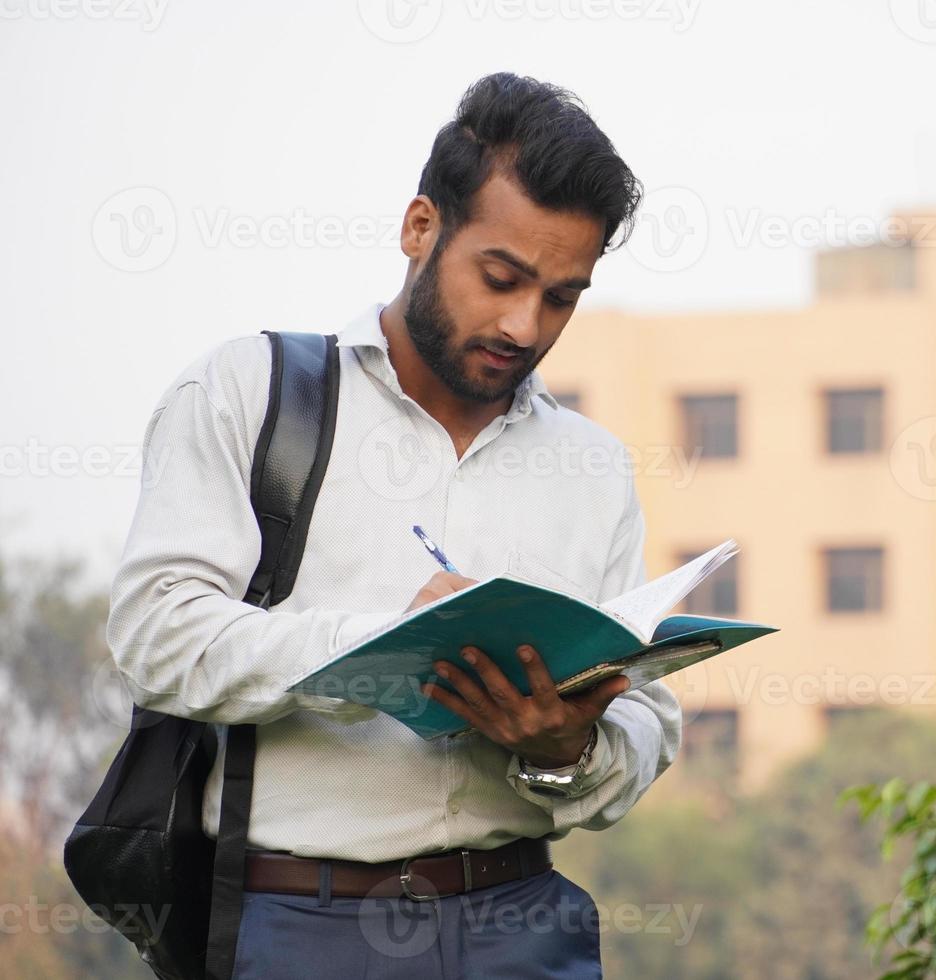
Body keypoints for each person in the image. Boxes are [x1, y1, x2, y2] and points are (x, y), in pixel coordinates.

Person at [105, 71, 682, 978]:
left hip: (526, 923)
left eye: (562, 297)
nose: (524, 324)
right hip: (300, 924)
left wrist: (568, 749)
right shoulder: (249, 393)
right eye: (501, 277)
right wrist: (381, 650)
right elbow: (156, 634)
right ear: (421, 228)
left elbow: (647, 716)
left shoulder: (593, 466)